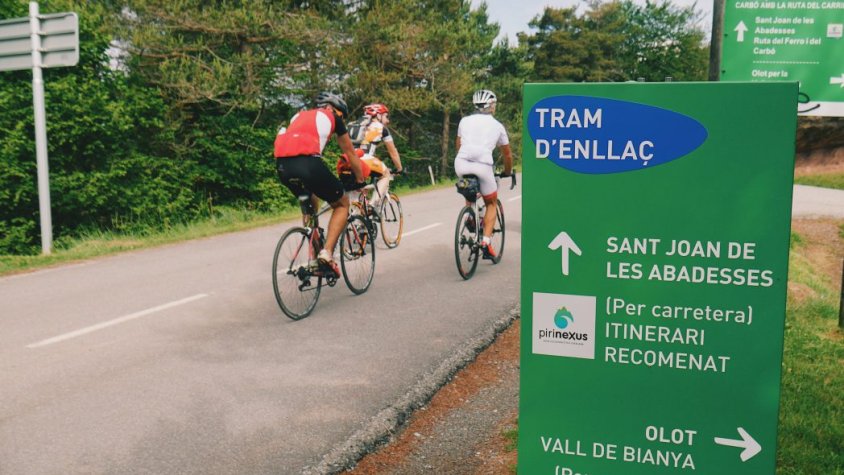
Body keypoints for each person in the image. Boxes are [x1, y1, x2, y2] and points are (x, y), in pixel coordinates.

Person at [274, 92, 365, 276]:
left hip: (283, 168)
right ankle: (326, 254)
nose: (341, 119)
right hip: (308, 165)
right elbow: (351, 153)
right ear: (334, 109)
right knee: (342, 204)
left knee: (309, 203)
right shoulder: (333, 117)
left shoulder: (298, 115)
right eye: (341, 115)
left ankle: (314, 251)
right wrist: (360, 180)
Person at [454, 89, 513, 259]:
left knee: (469, 188)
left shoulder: (464, 121)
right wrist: (507, 171)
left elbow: (459, 145)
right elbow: (507, 154)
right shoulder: (498, 126)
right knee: (491, 203)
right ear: (491, 106)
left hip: (461, 163)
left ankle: (470, 214)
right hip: (483, 166)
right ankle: (486, 242)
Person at [358, 103, 404, 206]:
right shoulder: (381, 128)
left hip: (348, 160)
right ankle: (372, 205)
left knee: (361, 187)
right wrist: (399, 168)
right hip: (365, 160)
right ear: (378, 115)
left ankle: (360, 215)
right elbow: (393, 152)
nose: (387, 120)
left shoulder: (357, 125)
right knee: (386, 174)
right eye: (386, 116)